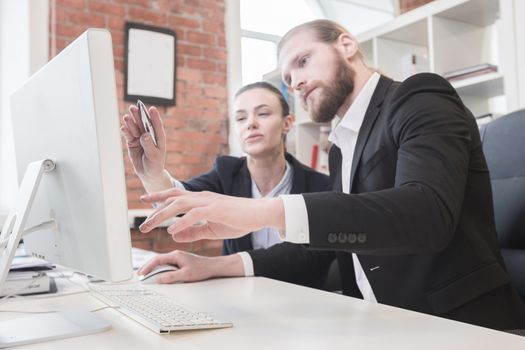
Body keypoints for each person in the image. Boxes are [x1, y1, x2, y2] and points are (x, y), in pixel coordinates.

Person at [138, 19, 525, 330]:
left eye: (303, 61)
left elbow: (426, 214)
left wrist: (263, 212)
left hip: (458, 325)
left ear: (346, 45)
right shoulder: (341, 146)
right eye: (288, 80)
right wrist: (210, 266)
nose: (297, 83)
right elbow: (325, 243)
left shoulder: (419, 96)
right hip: (377, 323)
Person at [121, 81, 334, 289]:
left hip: (301, 301)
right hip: (238, 299)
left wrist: (211, 266)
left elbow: (310, 257)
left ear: (287, 123)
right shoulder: (226, 172)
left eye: (263, 114)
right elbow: (183, 203)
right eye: (241, 118)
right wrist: (153, 173)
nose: (251, 123)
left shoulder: (320, 186)